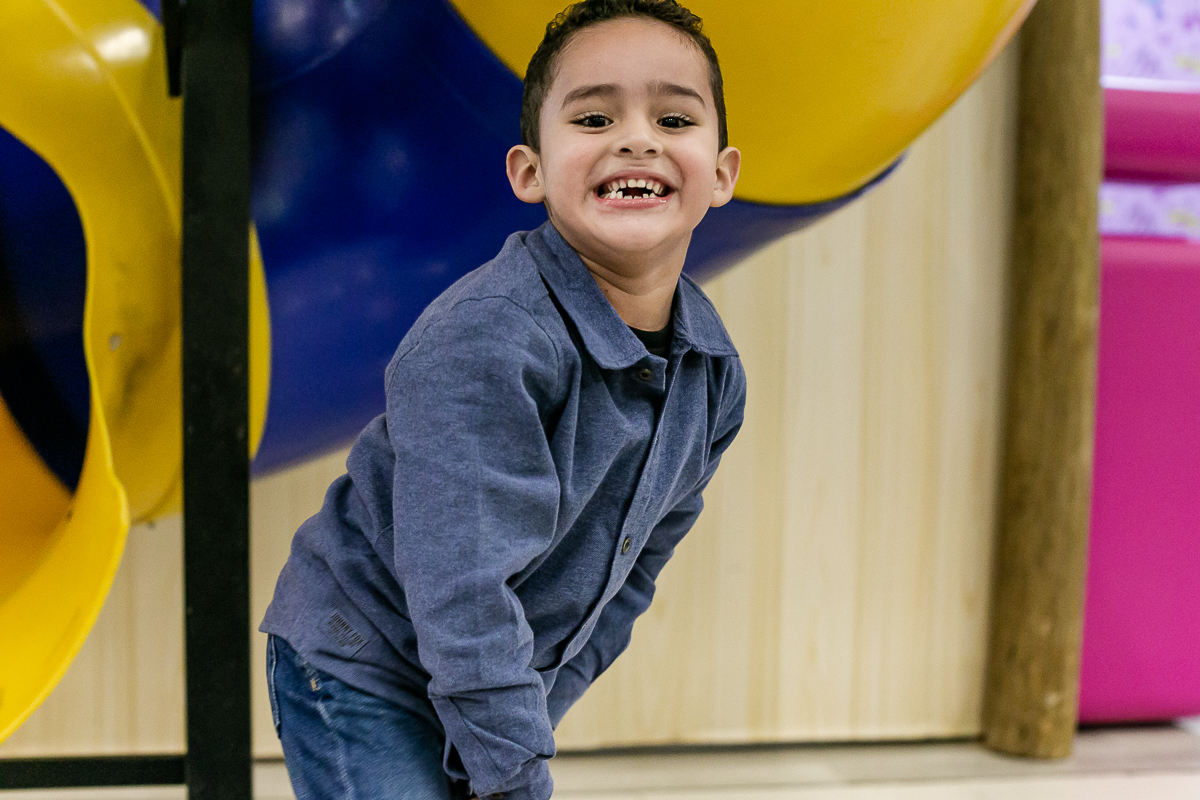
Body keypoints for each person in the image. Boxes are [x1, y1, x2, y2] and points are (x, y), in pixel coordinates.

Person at [260, 1, 745, 798]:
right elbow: (461, 589)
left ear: (721, 172)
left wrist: (518, 731)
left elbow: (630, 573)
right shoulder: (487, 339)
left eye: (672, 115)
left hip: (477, 666)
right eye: (593, 116)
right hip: (363, 657)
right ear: (529, 171)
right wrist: (516, 773)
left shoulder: (712, 375)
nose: (636, 137)